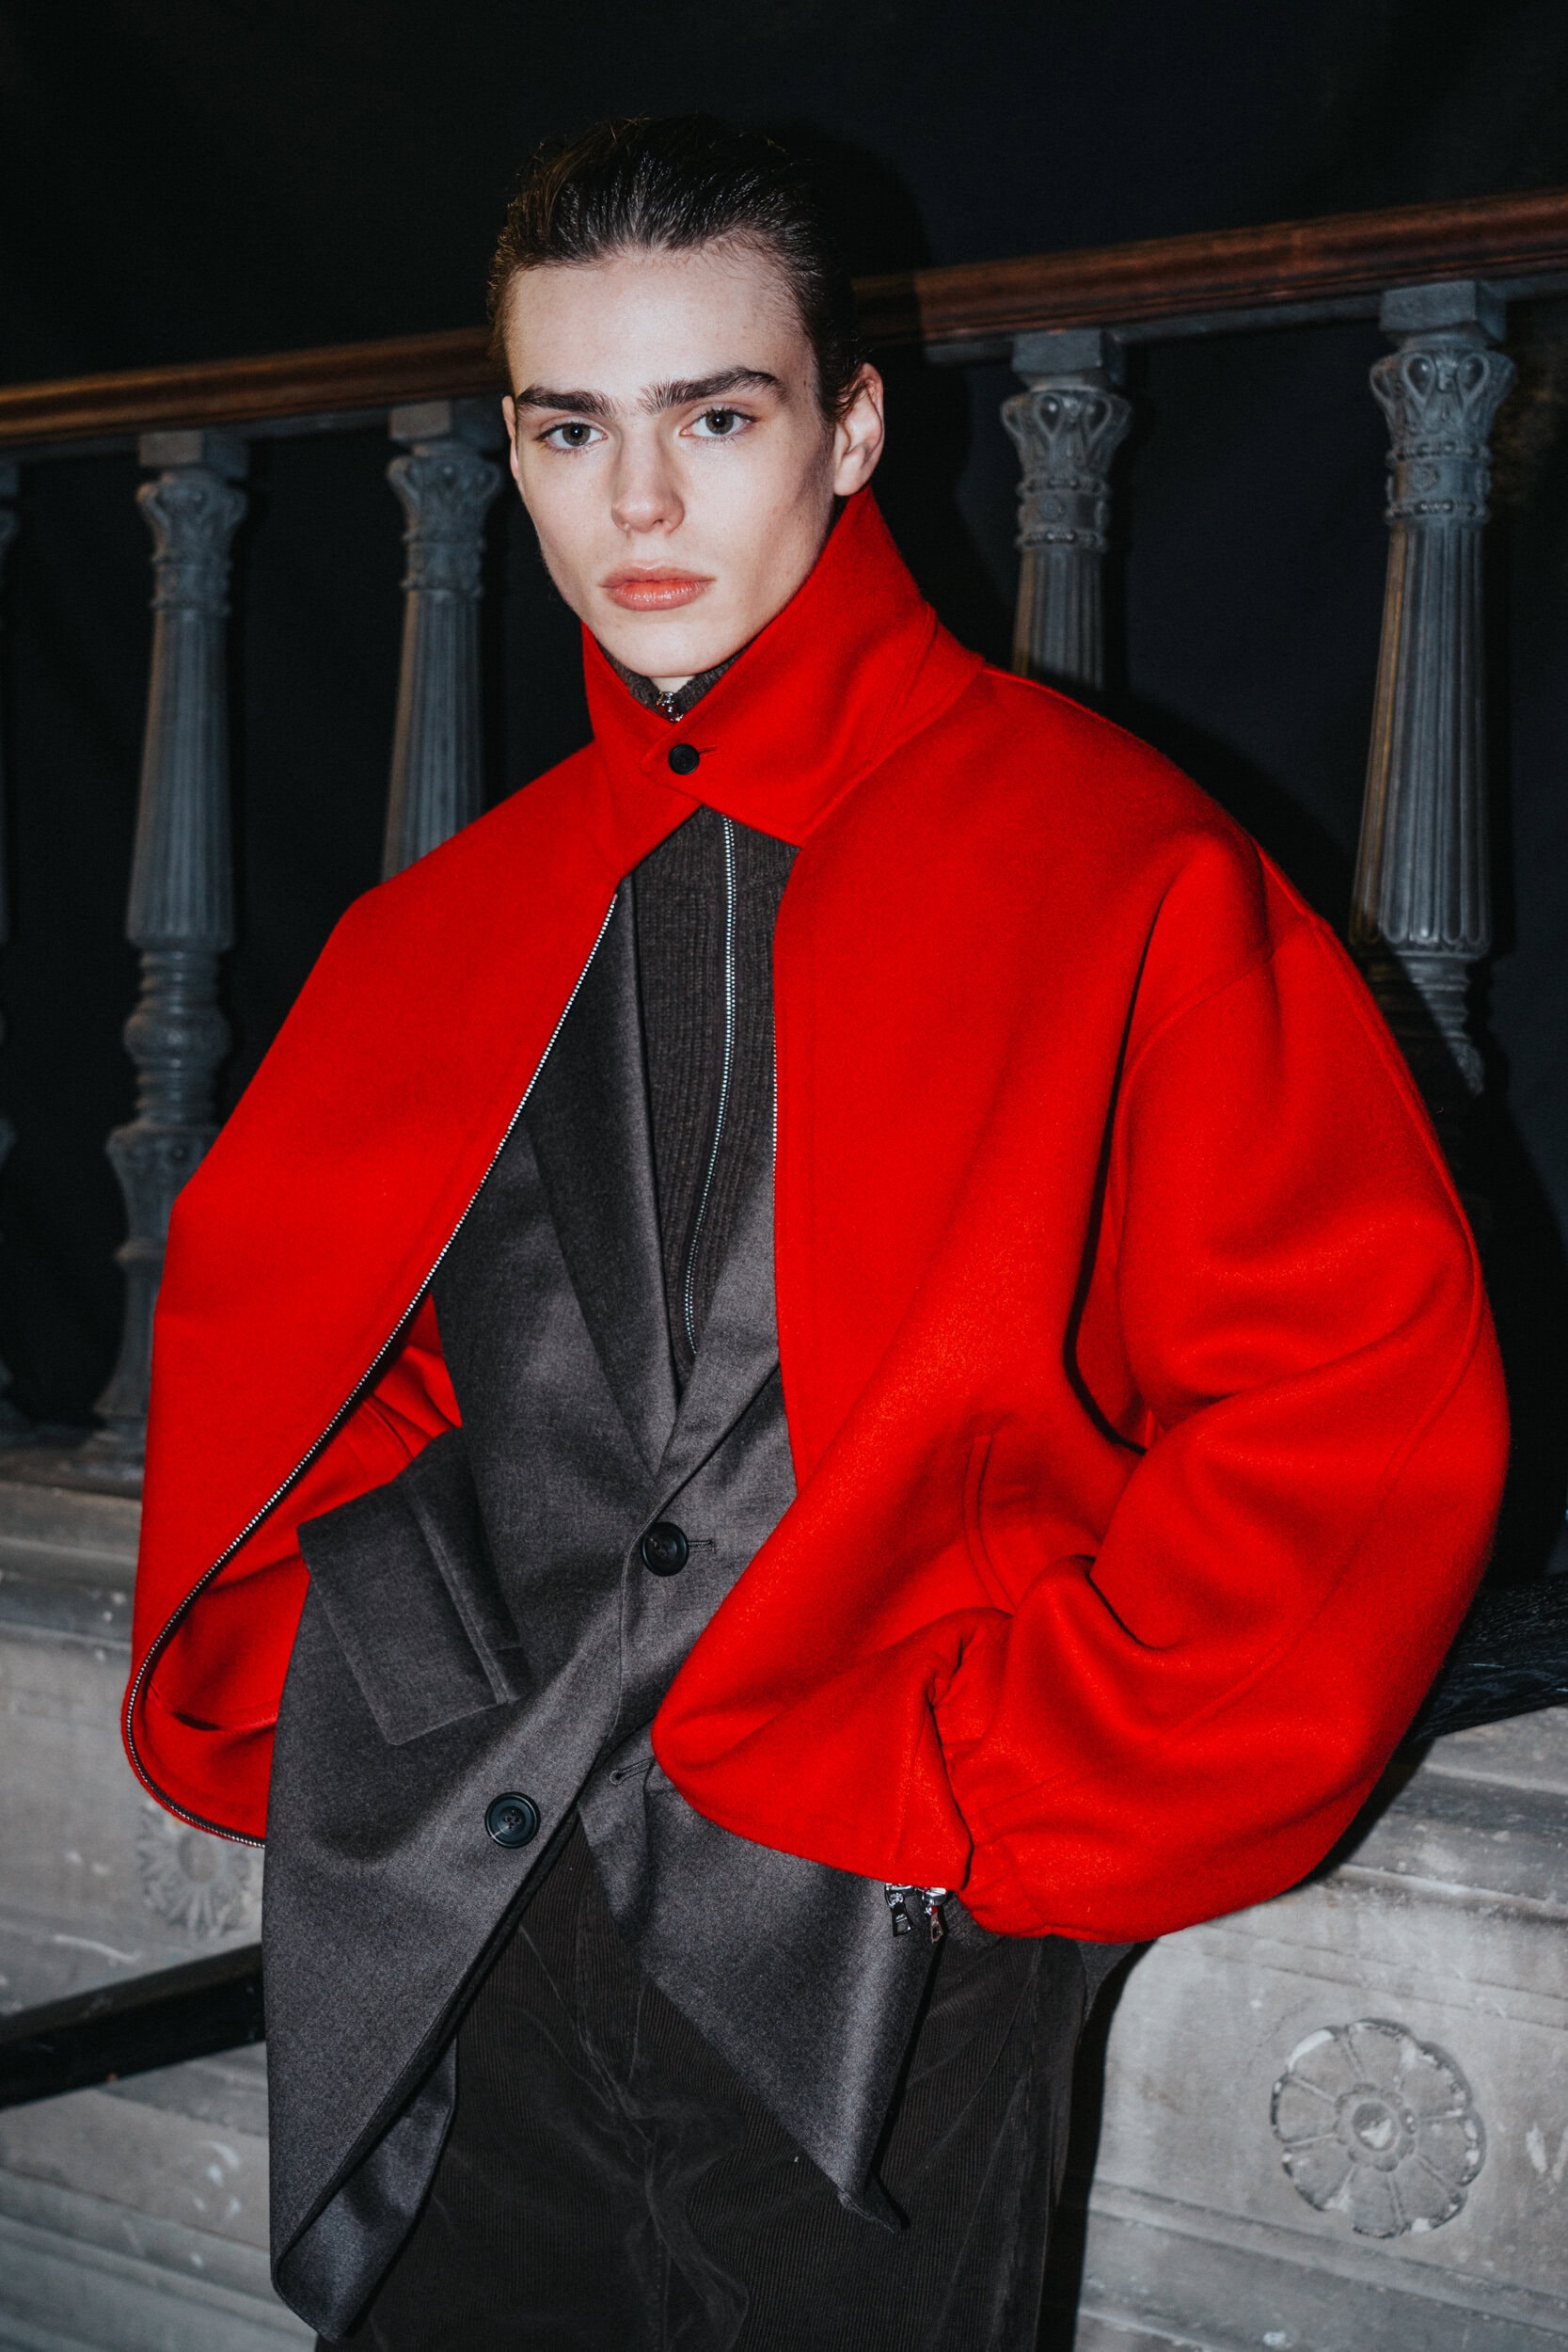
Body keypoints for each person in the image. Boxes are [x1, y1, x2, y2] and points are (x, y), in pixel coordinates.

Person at [123, 116, 1509, 2351]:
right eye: (570, 428)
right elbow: (342, 1379)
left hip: (889, 1958)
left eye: (714, 416)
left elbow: (1357, 1401)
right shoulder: (439, 935)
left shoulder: (1118, 872)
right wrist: (380, 1707)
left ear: (851, 430)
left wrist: (991, 1795)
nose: (637, 507)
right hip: (469, 1938)